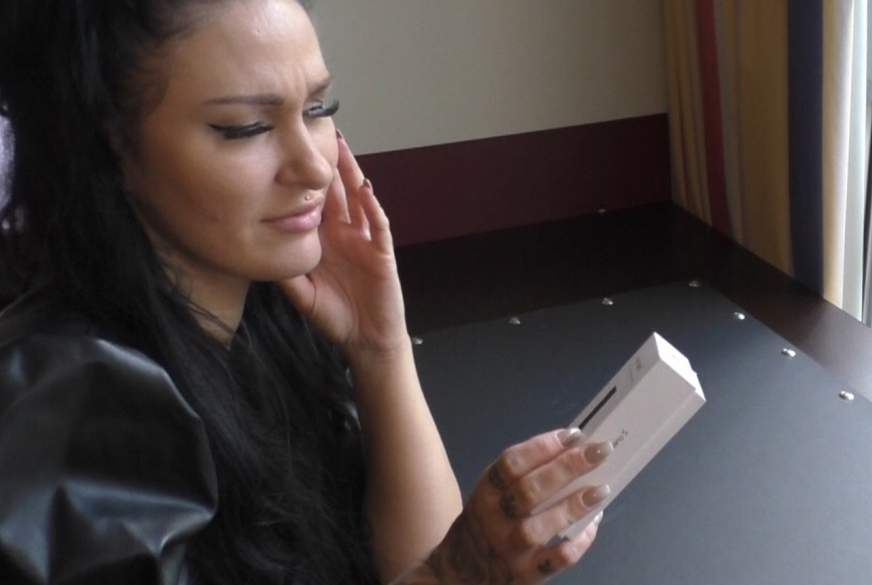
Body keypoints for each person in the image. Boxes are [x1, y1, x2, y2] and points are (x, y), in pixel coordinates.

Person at [0, 1, 613, 583]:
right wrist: (457, 572)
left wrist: (380, 350)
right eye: (246, 128)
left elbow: (409, 559)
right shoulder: (77, 408)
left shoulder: (262, 321)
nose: (315, 166)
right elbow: (436, 568)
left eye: (319, 108)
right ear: (111, 142)